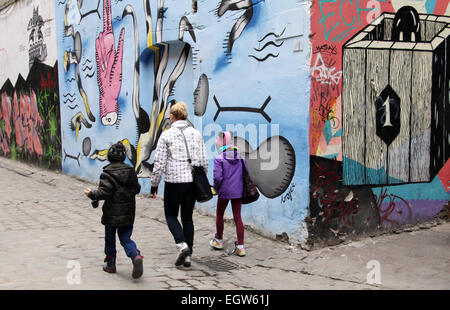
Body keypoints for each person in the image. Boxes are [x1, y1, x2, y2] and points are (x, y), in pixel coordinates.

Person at [150, 101, 208, 267]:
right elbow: (204, 161)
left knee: (170, 215)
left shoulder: (166, 135)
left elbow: (159, 163)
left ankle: (182, 245)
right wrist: (201, 180)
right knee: (187, 218)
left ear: (173, 117)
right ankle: (188, 256)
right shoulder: (196, 134)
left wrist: (154, 184)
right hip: (192, 182)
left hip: (174, 182)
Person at [84, 141, 144, 279]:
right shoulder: (130, 172)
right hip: (128, 213)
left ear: (110, 157)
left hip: (111, 214)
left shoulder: (107, 173)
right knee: (125, 237)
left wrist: (91, 194)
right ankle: (135, 255)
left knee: (110, 239)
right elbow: (137, 189)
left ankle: (110, 264)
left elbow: (104, 192)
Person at [210, 131, 247, 256]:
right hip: (238, 191)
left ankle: (219, 240)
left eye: (217, 140)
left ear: (222, 142)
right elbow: (246, 172)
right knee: (238, 217)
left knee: (220, 214)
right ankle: (241, 247)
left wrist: (216, 188)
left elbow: (217, 178)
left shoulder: (219, 158)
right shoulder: (240, 156)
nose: (216, 142)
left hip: (224, 191)